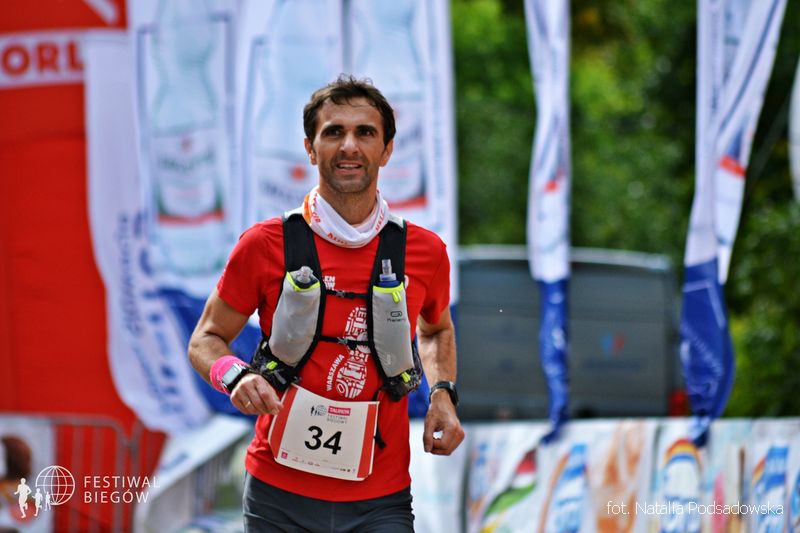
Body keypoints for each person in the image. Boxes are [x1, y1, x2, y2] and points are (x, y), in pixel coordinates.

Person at [189, 74, 464, 532]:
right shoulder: (264, 244)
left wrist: (443, 395)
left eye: (365, 133)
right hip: (277, 494)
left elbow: (435, 330)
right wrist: (234, 375)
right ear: (311, 149)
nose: (349, 146)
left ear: (387, 150)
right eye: (333, 132)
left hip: (380, 499)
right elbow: (206, 338)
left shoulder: (425, 252)